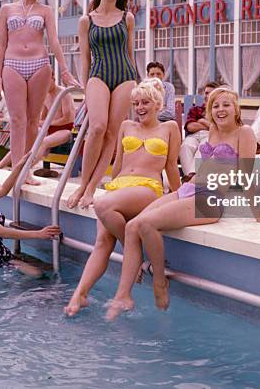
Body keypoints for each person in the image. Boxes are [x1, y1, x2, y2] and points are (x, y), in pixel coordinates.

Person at [106, 86, 260, 321]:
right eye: (215, 106)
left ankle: (159, 281)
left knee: (146, 225)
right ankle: (122, 295)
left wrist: (258, 214)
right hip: (191, 189)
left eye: (226, 104)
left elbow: (246, 176)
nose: (220, 110)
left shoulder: (244, 133)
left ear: (236, 108)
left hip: (210, 200)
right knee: (132, 225)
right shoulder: (213, 131)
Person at [64, 79, 181, 316]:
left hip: (147, 187)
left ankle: (129, 262)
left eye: (145, 102)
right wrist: (104, 185)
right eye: (136, 103)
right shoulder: (126, 126)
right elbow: (116, 165)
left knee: (102, 204)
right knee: (101, 243)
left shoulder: (169, 128)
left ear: (157, 103)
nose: (139, 107)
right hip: (120, 187)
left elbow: (170, 166)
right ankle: (80, 295)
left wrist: (179, 195)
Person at [0, 0, 79, 178]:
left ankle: (26, 171)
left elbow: (54, 41)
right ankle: (15, 170)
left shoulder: (46, 11)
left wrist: (65, 70)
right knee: (16, 120)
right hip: (12, 65)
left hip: (39, 65)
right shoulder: (6, 10)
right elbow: (1, 44)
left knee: (33, 121)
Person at [66, 0, 138, 210]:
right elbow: (85, 58)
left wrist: (136, 82)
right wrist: (86, 88)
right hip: (98, 75)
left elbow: (130, 53)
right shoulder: (86, 20)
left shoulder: (127, 17)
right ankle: (82, 183)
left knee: (111, 134)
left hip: (125, 76)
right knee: (97, 127)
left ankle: (92, 186)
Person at [0, 150, 60, 273]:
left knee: (45, 272)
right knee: (37, 275)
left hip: (1, 256)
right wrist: (39, 234)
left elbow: (4, 189)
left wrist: (20, 164)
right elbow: (2, 232)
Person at [0, 72, 75, 178]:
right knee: (26, 139)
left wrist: (46, 123)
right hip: (49, 128)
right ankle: (0, 166)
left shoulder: (64, 94)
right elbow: (43, 117)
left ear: (53, 79)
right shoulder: (46, 95)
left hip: (65, 129)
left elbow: (68, 119)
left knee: (43, 142)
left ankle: (24, 170)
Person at [179, 81, 220, 181]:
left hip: (209, 136)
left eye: (211, 93)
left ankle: (192, 176)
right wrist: (208, 124)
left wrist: (200, 120)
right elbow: (190, 127)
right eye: (206, 93)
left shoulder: (219, 110)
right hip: (193, 136)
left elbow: (217, 128)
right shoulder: (195, 109)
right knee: (185, 146)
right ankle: (191, 177)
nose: (207, 95)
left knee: (203, 147)